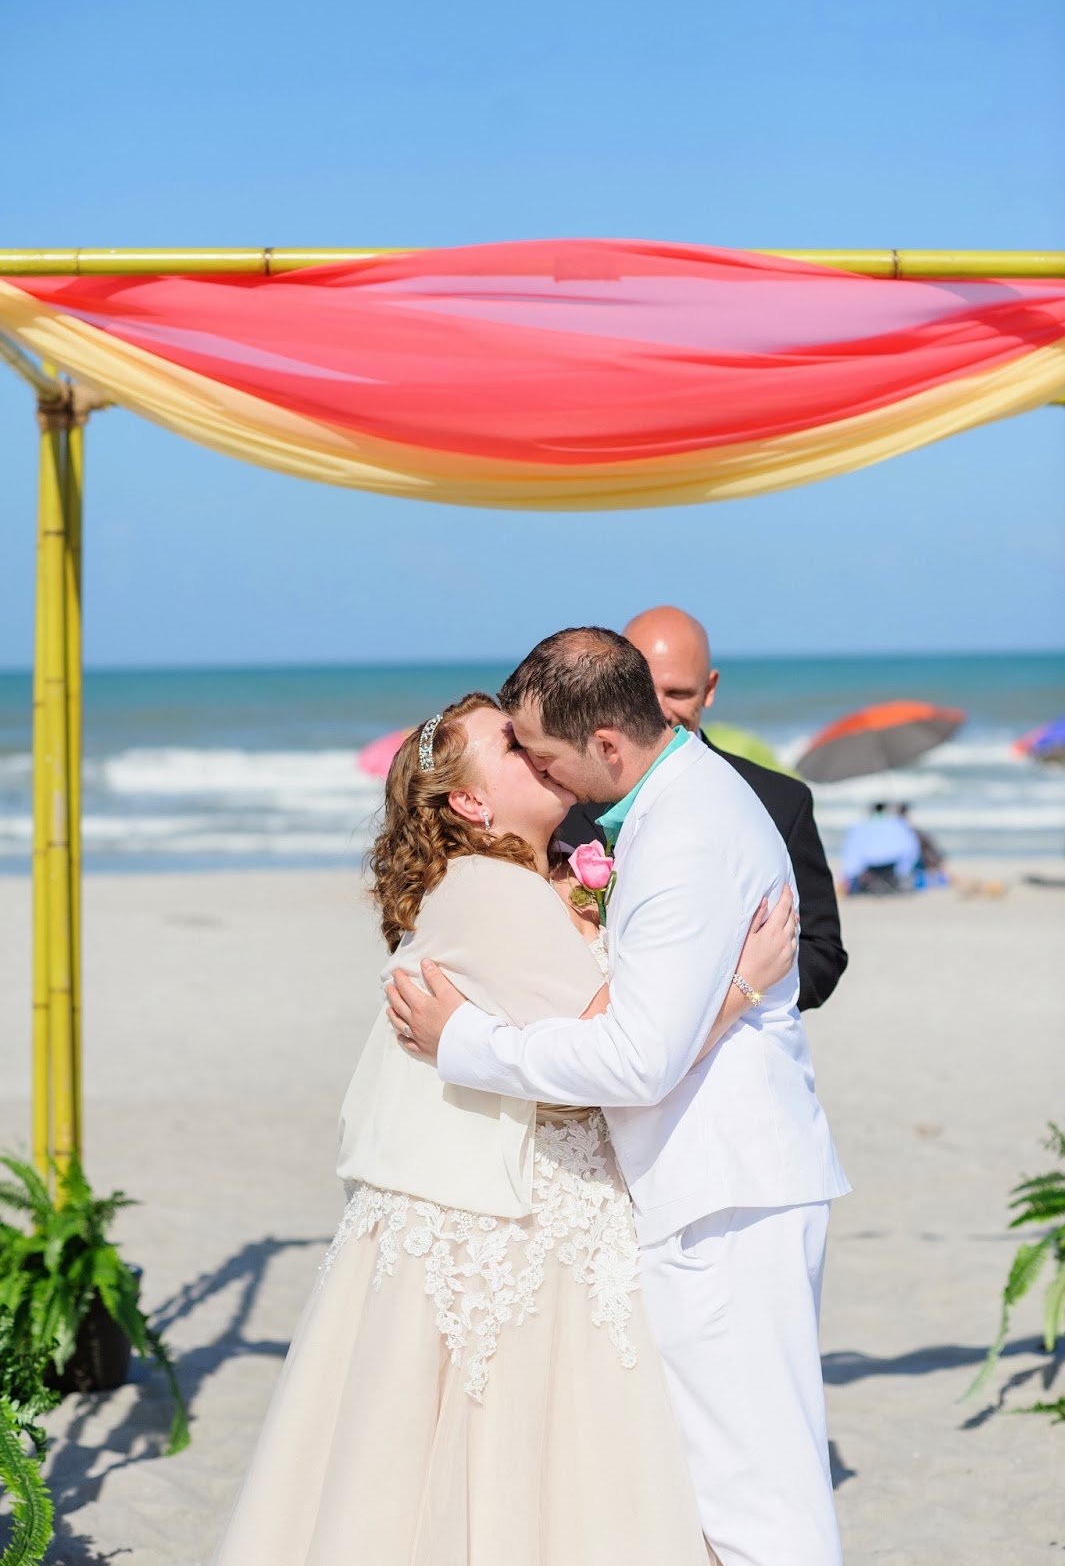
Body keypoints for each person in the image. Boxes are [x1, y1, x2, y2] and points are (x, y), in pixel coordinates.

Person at [213, 690, 797, 1566]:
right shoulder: (488, 889)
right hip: (511, 1223)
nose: (533, 746)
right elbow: (615, 1050)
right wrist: (740, 987)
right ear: (469, 801)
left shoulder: (531, 881)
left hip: (533, 1201)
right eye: (510, 744)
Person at [389, 631, 851, 1566]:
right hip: (718, 1183)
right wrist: (737, 989)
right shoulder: (674, 805)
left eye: (541, 751)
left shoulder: (682, 835)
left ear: (604, 743)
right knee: (732, 1491)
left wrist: (463, 1044)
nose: (538, 769)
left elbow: (639, 1061)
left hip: (721, 1192)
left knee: (756, 1504)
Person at [559, 605, 847, 1011]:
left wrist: (740, 993)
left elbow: (822, 952)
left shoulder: (780, 800)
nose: (658, 709)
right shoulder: (565, 796)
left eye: (678, 693)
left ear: (709, 689)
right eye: (643, 689)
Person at [840, 801, 921, 894]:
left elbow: (851, 851)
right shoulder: (897, 824)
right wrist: (904, 869)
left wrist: (851, 873)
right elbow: (910, 849)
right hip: (891, 865)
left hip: (870, 866)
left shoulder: (859, 826)